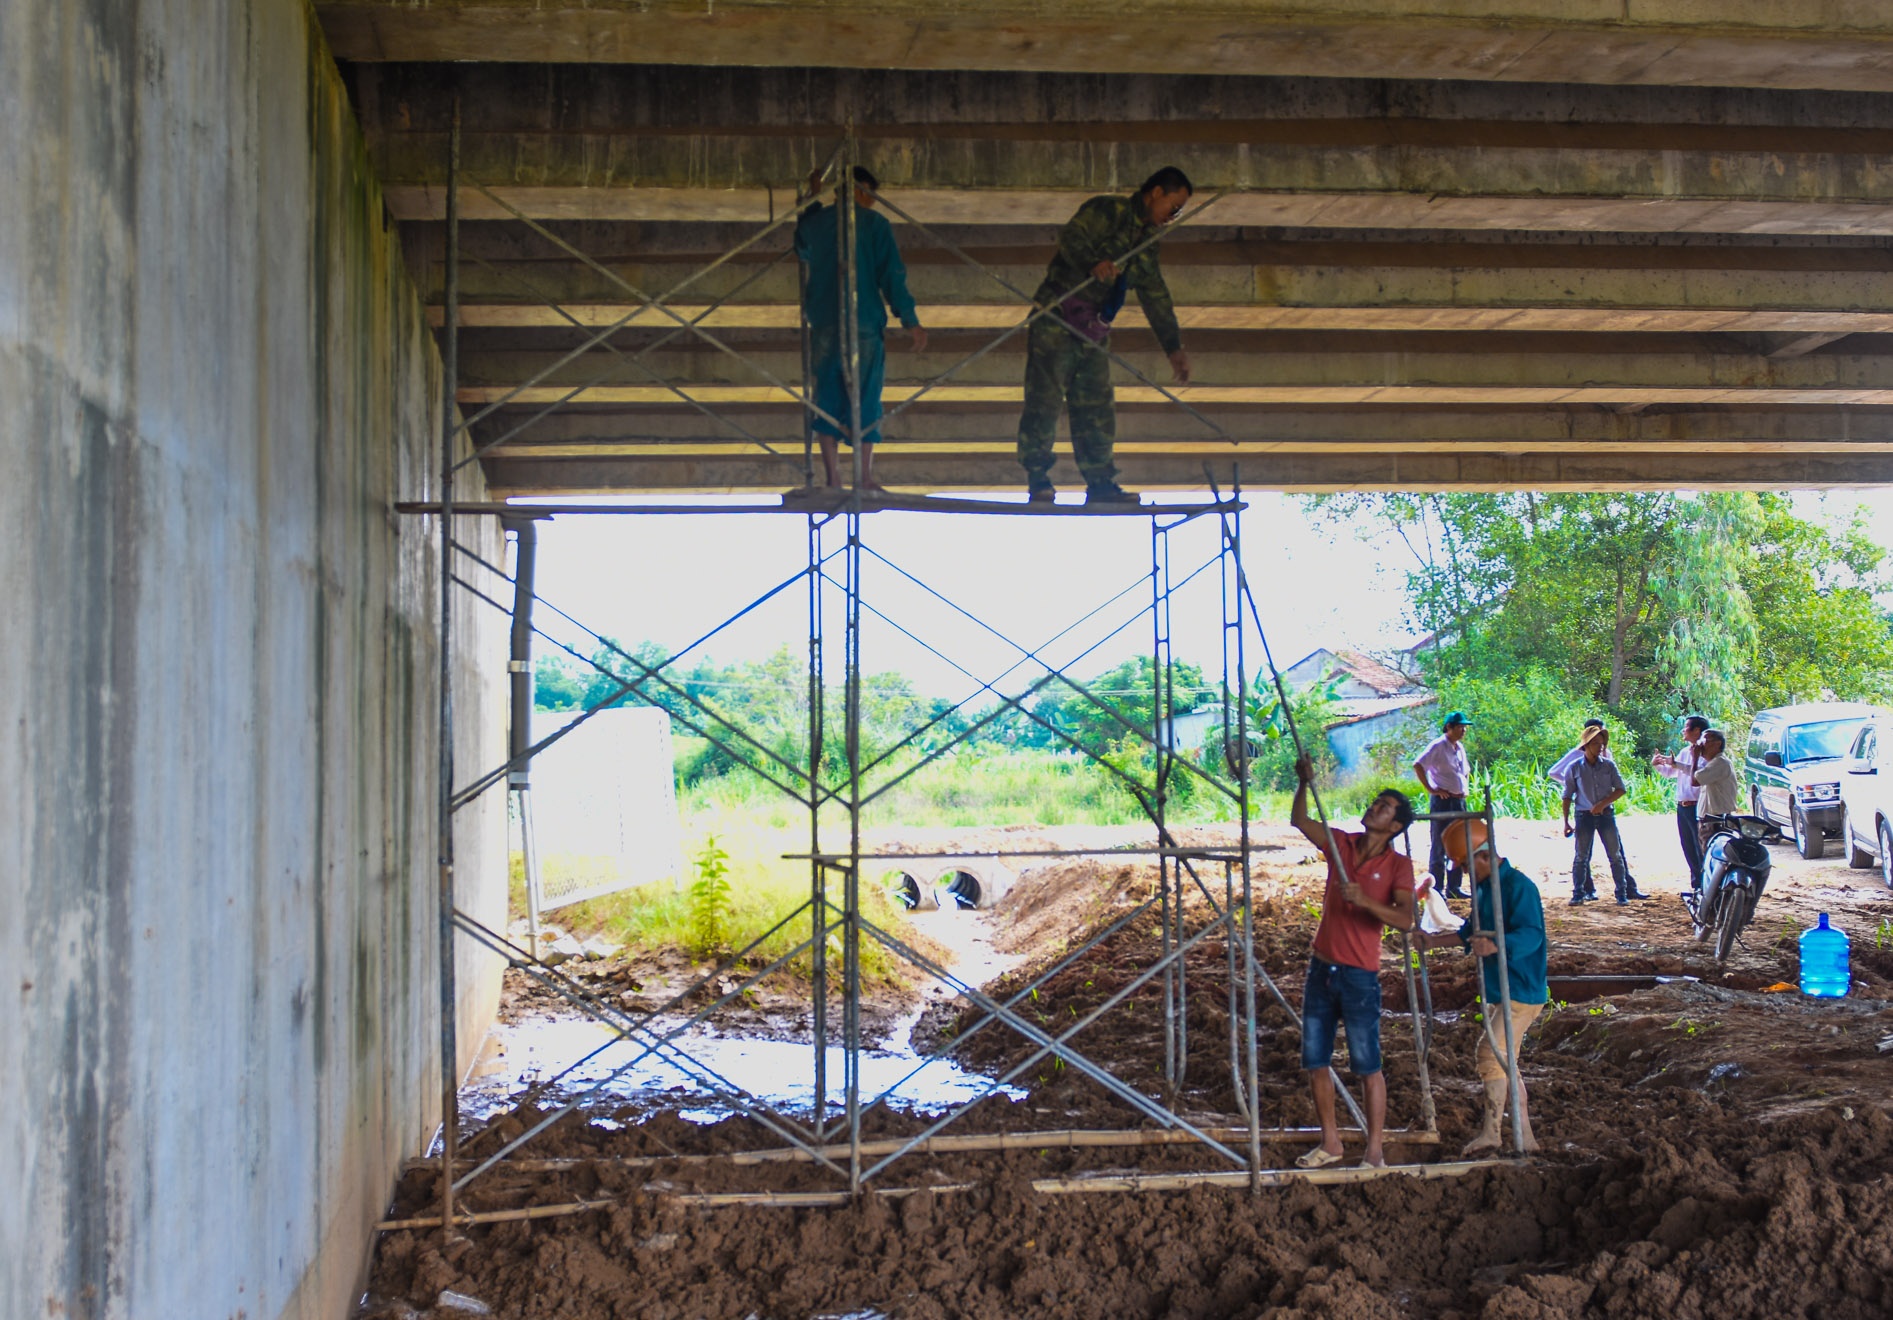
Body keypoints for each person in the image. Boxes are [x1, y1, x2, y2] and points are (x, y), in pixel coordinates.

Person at [1016, 166, 1194, 506]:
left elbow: (1154, 294)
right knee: (1045, 400)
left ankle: (1100, 483)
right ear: (1155, 193)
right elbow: (1071, 238)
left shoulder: (1146, 243)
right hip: (1058, 314)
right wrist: (1092, 263)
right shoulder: (1106, 211)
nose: (1174, 215)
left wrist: (1173, 347)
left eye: (1179, 211)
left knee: (1096, 405)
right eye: (1173, 206)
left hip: (1094, 329)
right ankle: (1038, 478)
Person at [1289, 754, 1416, 1171]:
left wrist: (1365, 902)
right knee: (1316, 1059)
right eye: (1375, 802)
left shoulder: (1398, 866)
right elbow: (1300, 821)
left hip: (1360, 976)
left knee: (1366, 1063)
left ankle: (1374, 1151)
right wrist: (1305, 782)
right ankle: (1332, 1142)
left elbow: (1406, 919)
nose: (1374, 808)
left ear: (1395, 827)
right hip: (1320, 968)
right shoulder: (1341, 843)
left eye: (1384, 808)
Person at [792, 166, 928, 492]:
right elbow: (890, 275)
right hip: (863, 322)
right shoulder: (874, 224)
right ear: (861, 191)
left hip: (825, 322)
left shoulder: (817, 222)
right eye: (869, 194)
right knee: (866, 397)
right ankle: (863, 478)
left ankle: (833, 480)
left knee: (826, 397)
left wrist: (811, 202)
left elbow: (803, 247)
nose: (870, 201)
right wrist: (910, 320)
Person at [1418, 819, 1547, 1155]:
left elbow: (1532, 935)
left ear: (1485, 856)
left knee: (1491, 1055)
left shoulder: (1520, 888)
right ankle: (1526, 1138)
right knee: (1505, 1062)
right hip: (1499, 988)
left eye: (1463, 865)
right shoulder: (1485, 888)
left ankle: (1493, 1133)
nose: (1461, 871)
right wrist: (1433, 942)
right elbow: (1470, 931)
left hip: (1520, 989)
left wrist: (1496, 946)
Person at [1561, 727, 1650, 905]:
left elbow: (1621, 789)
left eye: (1602, 744)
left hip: (1606, 815)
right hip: (1583, 815)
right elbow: (1567, 795)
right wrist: (1565, 822)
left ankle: (1621, 893)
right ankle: (1578, 893)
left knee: (1615, 855)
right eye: (1595, 744)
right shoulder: (1574, 768)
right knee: (1581, 856)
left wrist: (1603, 803)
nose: (1600, 747)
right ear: (1585, 746)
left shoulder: (1609, 765)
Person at [1413, 710, 1473, 900]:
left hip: (1458, 800)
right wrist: (1432, 789)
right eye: (1459, 727)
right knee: (1439, 844)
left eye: (1464, 727)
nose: (1463, 730)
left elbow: (1465, 772)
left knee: (1457, 845)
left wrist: (1464, 788)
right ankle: (1437, 888)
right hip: (1443, 801)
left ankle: (1454, 887)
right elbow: (1418, 764)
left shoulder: (1459, 748)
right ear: (1449, 727)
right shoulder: (1438, 746)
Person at [1653, 715, 1711, 888]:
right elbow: (1671, 773)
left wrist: (1676, 764)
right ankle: (1696, 884)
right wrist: (1659, 764)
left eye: (1686, 727)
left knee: (1701, 846)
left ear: (1697, 731)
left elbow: (1698, 775)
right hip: (1683, 806)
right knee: (1688, 846)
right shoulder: (1686, 752)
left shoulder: (1707, 754)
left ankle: (1707, 885)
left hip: (1698, 806)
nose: (1683, 731)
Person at [1690, 729, 1741, 857]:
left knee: (1713, 858)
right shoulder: (1712, 764)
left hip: (1716, 822)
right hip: (1710, 821)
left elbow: (1694, 781)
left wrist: (1694, 758)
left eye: (1705, 741)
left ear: (1717, 744)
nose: (1701, 745)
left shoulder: (1720, 763)